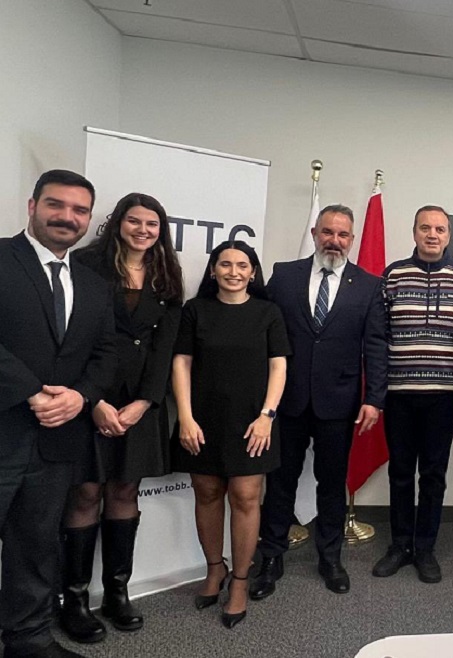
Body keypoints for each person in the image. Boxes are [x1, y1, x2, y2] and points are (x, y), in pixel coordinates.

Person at [0, 170, 116, 658]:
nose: (67, 217)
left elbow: (107, 353)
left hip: (57, 440)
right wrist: (31, 391)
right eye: (56, 204)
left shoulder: (93, 284)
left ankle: (28, 640)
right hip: (5, 426)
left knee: (35, 544)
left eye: (79, 210)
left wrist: (81, 397)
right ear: (32, 206)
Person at [60, 193, 184, 644]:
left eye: (152, 224)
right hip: (88, 397)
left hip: (139, 403)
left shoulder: (167, 274)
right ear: (118, 223)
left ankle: (117, 593)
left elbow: (164, 348)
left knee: (125, 490)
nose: (143, 230)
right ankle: (74, 599)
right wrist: (91, 400)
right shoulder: (86, 265)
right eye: (135, 221)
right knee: (85, 492)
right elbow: (70, 335)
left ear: (160, 231)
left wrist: (145, 402)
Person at [252, 205, 387, 599]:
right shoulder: (284, 275)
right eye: (328, 232)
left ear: (352, 240)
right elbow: (265, 335)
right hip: (287, 400)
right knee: (281, 482)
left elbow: (376, 345)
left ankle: (330, 557)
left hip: (339, 402)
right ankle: (271, 556)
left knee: (331, 483)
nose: (335, 241)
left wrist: (374, 399)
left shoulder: (369, 285)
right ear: (314, 233)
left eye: (343, 235)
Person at [171, 240, 289, 628]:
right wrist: (185, 418)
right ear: (213, 270)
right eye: (225, 264)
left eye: (242, 265)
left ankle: (240, 580)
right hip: (202, 419)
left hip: (253, 421)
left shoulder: (268, 312)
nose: (233, 272)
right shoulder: (195, 310)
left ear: (253, 273)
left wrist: (267, 416)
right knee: (206, 493)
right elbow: (182, 363)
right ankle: (214, 569)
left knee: (245, 497)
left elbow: (278, 366)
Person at [372, 205, 453, 583]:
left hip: (444, 395)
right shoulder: (393, 275)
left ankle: (425, 548)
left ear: (449, 235)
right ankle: (400, 544)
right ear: (414, 232)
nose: (432, 235)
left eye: (440, 229)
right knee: (400, 472)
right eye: (425, 228)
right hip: (399, 393)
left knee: (433, 474)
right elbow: (380, 336)